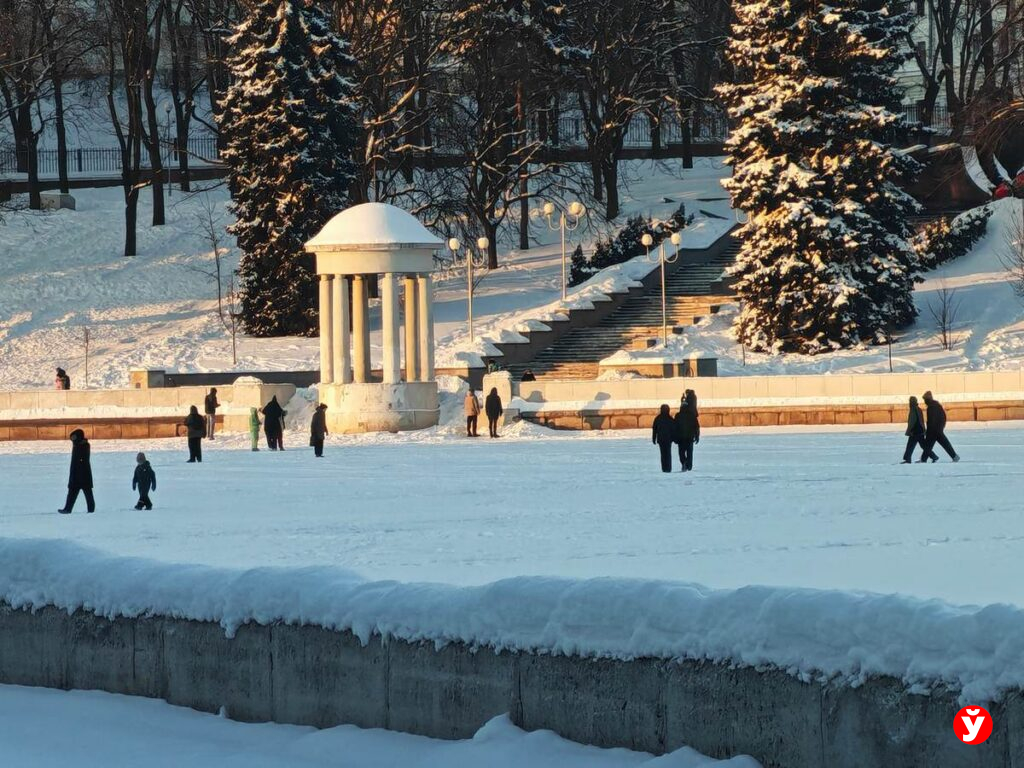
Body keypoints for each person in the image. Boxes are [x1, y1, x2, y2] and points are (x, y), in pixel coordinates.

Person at [58, 429, 94, 513]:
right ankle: (67, 509)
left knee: (88, 494)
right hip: (75, 475)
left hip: (84, 475)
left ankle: (91, 510)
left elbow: (82, 460)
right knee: (72, 493)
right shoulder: (77, 445)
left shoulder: (84, 445)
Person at [920, 390, 960, 462]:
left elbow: (931, 420)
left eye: (925, 400)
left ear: (927, 399)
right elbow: (944, 417)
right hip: (938, 429)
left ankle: (924, 459)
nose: (924, 401)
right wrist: (941, 427)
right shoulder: (937, 405)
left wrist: (929, 430)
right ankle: (954, 456)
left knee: (928, 445)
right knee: (939, 444)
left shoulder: (931, 407)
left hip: (933, 430)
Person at [901, 396, 933, 464]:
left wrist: (909, 430)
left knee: (910, 445)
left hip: (915, 431)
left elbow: (912, 421)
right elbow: (921, 420)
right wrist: (923, 429)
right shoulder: (918, 409)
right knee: (923, 445)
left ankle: (907, 459)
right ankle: (934, 456)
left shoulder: (913, 409)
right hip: (920, 430)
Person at [674, 397, 700, 472]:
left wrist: (674, 437)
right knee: (690, 453)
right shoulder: (692, 415)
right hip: (690, 437)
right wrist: (697, 436)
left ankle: (684, 462)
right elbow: (696, 426)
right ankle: (689, 466)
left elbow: (675, 427)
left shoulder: (678, 415)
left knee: (681, 453)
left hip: (680, 438)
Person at [652, 404, 676, 473]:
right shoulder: (670, 418)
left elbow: (654, 429)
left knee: (663, 454)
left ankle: (664, 468)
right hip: (668, 439)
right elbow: (673, 429)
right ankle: (668, 468)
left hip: (661, 439)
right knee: (668, 454)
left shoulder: (658, 418)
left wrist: (654, 438)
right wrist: (674, 439)